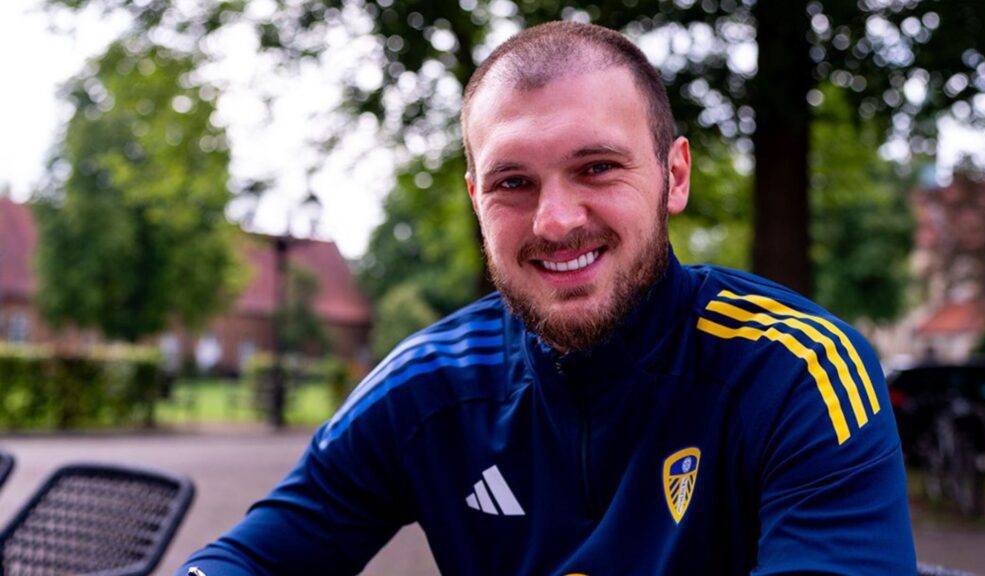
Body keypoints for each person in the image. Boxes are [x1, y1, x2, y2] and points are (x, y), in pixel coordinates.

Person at [179, 21, 916, 575]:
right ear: (475, 199)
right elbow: (248, 560)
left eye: (596, 167)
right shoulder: (426, 387)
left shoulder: (797, 373)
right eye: (512, 182)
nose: (555, 220)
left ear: (675, 175)